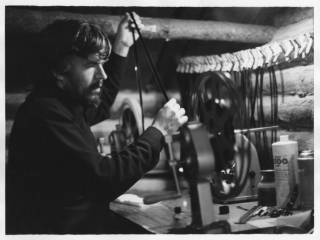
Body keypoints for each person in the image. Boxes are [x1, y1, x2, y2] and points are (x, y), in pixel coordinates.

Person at [6, 12, 188, 234]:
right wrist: (157, 130)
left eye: (102, 64)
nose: (102, 74)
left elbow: (101, 105)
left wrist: (121, 45)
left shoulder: (64, 102)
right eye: (92, 64)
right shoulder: (44, 114)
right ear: (58, 69)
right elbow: (103, 179)